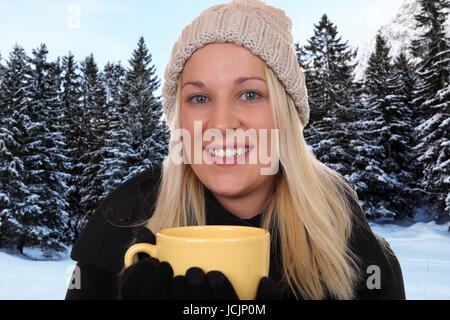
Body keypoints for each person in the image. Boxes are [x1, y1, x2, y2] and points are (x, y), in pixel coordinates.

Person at [65, 0, 406, 300]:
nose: (222, 124)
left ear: (285, 115)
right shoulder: (118, 235)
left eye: (249, 94)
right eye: (199, 98)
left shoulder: (358, 255)